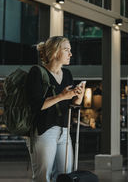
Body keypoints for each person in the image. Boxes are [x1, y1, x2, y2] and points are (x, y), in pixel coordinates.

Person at [25, 36, 85, 182]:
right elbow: (37, 105)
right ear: (55, 51)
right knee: (43, 177)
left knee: (66, 175)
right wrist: (62, 96)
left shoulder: (68, 74)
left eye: (70, 50)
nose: (70, 54)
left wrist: (79, 95)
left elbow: (73, 104)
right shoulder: (37, 72)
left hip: (64, 131)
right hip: (43, 131)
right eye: (66, 50)